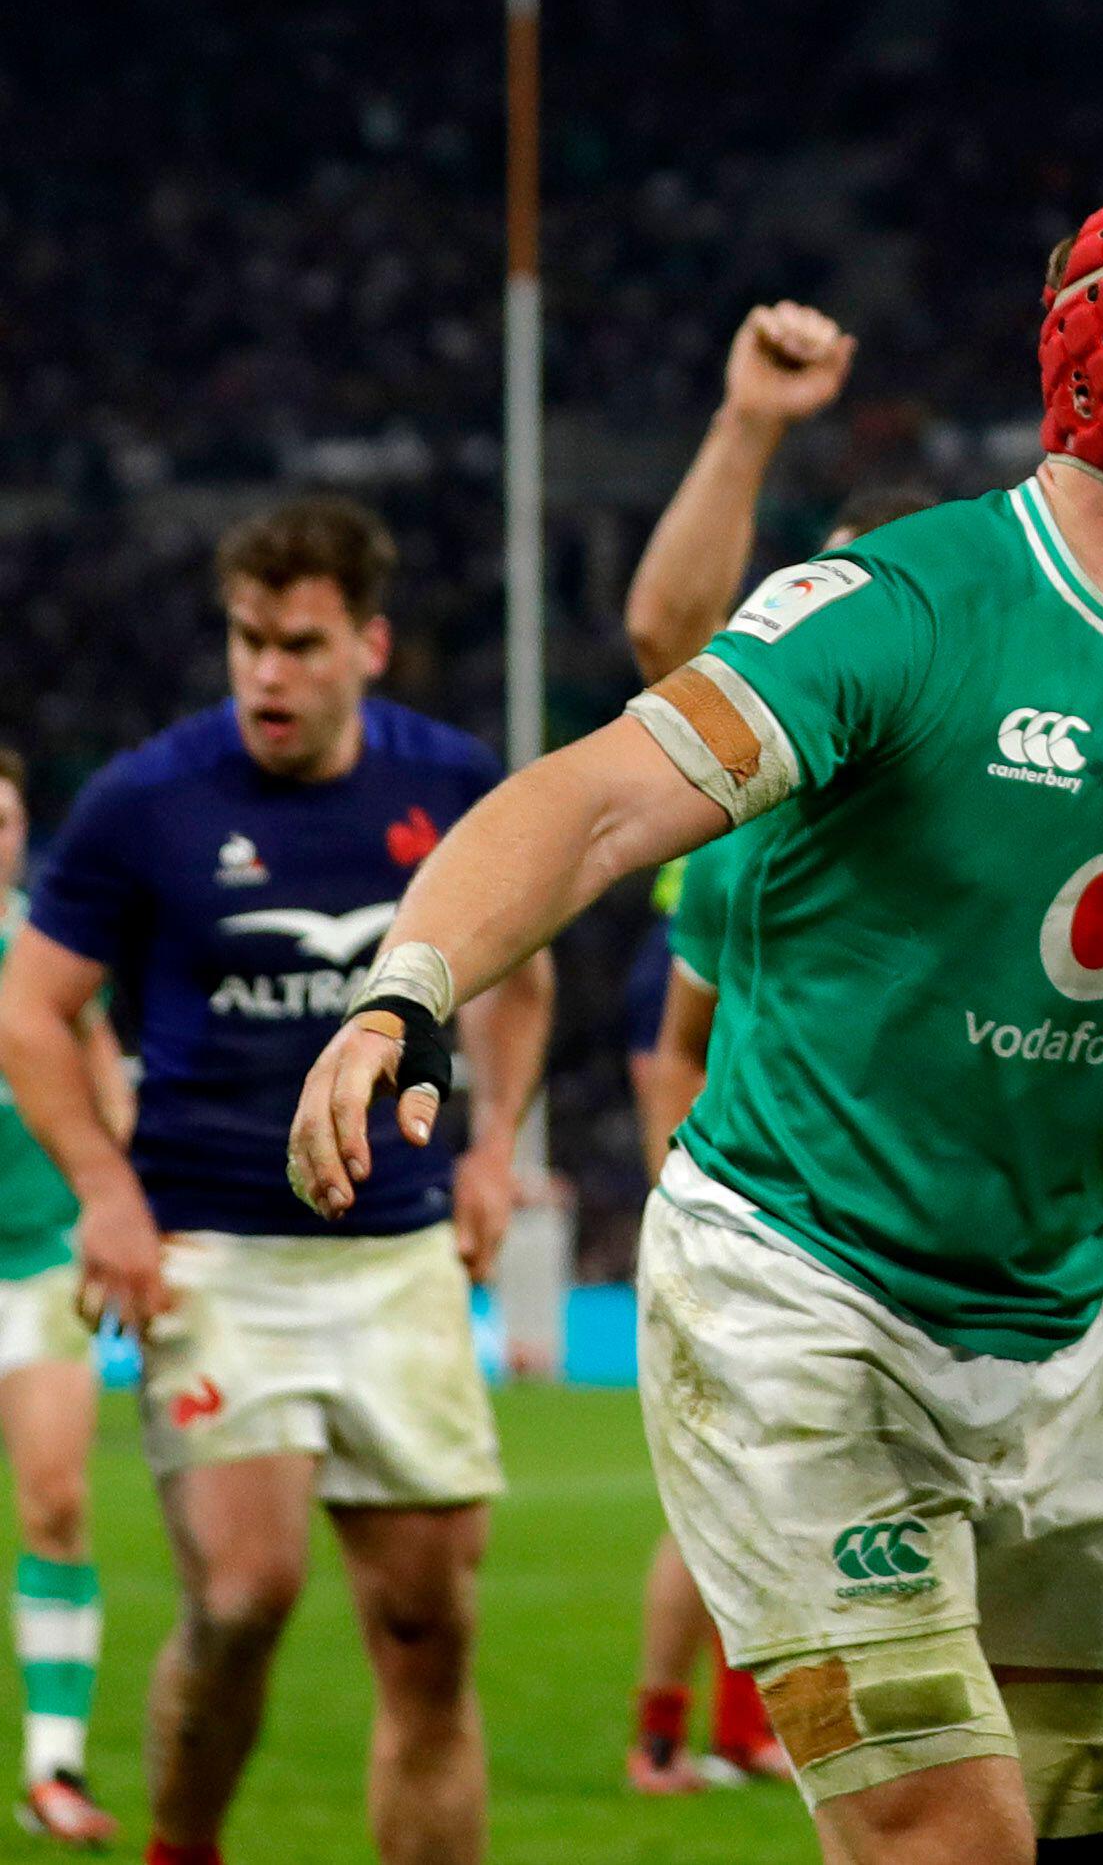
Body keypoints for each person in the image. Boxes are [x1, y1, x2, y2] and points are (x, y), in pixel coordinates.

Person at [285, 177, 1103, 1864]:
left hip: (1058, 1325)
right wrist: (405, 989)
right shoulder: (911, 604)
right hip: (804, 1297)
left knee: (1062, 1837)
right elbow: (600, 799)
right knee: (939, 1834)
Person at [0, 498, 553, 1865]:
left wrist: (494, 1143)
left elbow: (521, 975)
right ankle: (184, 1841)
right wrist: (107, 1195)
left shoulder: (451, 780)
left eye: (299, 644)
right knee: (244, 1594)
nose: (266, 672)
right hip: (217, 1251)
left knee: (430, 1629)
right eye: (248, 639)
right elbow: (28, 1010)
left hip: (400, 1252)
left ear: (367, 643)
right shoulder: (149, 797)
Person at [611, 298, 855, 1796]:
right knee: (721, 1510)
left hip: (963, 1236)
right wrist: (673, 1190)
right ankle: (667, 1733)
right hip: (783, 1211)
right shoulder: (754, 836)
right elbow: (666, 641)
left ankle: (755, 1729)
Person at [0, 750, 131, 1849]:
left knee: (54, 1500)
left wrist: (122, 1197)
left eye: (4, 819)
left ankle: (54, 1764)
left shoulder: (45, 950)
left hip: (42, 1261)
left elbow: (107, 1073)